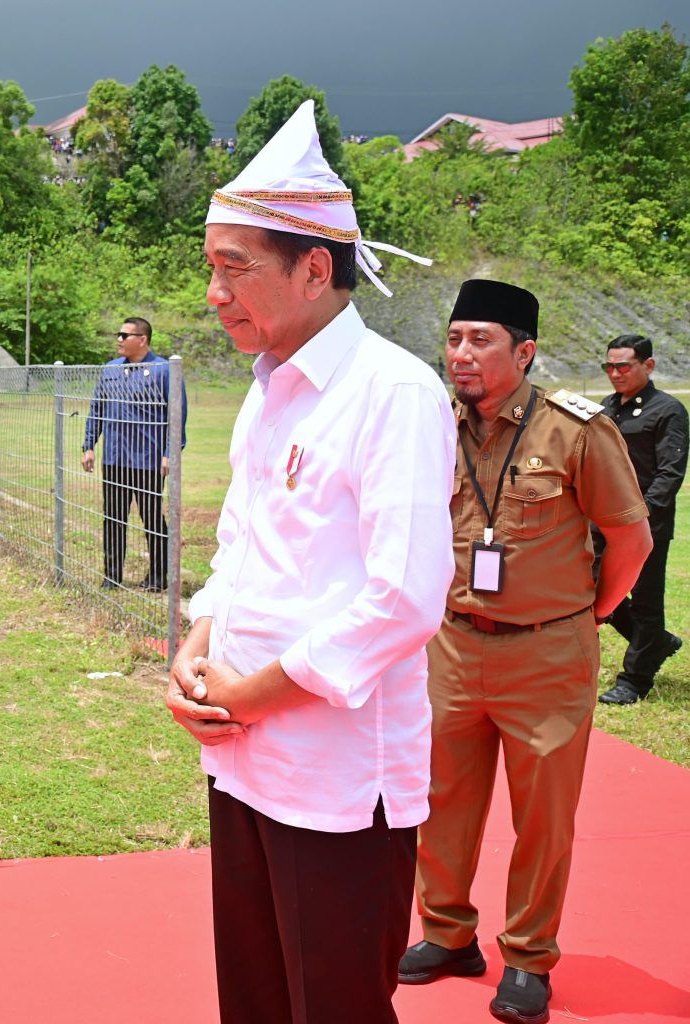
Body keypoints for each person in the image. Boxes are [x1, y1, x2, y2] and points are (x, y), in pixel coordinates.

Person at [167, 100, 453, 1023]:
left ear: (315, 268)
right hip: (243, 759)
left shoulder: (394, 393)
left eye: (233, 268)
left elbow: (404, 601)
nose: (215, 293)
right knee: (252, 997)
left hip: (334, 778)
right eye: (211, 268)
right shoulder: (269, 391)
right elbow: (239, 547)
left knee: (335, 1005)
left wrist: (247, 695)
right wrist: (198, 644)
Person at [403, 280, 652, 1024]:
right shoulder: (433, 427)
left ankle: (527, 958)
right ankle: (447, 935)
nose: (462, 355)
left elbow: (631, 537)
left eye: (481, 340)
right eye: (454, 339)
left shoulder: (575, 430)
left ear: (525, 350)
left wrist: (589, 614)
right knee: (440, 800)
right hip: (451, 644)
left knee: (543, 814)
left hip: (546, 651)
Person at [593, 334, 687, 704]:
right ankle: (657, 643)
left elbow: (669, 473)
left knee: (646, 600)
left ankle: (635, 680)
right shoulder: (606, 407)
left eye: (623, 366)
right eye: (609, 366)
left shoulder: (668, 410)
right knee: (598, 592)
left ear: (648, 365)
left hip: (646, 523)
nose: (615, 374)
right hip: (601, 519)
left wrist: (639, 520)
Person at [80, 316, 186, 591]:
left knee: (151, 518)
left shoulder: (163, 370)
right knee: (113, 518)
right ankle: (111, 576)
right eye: (118, 334)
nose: (119, 339)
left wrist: (169, 452)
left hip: (148, 461)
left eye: (124, 335)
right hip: (115, 459)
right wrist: (89, 445)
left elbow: (177, 414)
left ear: (143, 339)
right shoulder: (110, 370)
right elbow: (97, 410)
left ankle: (159, 576)